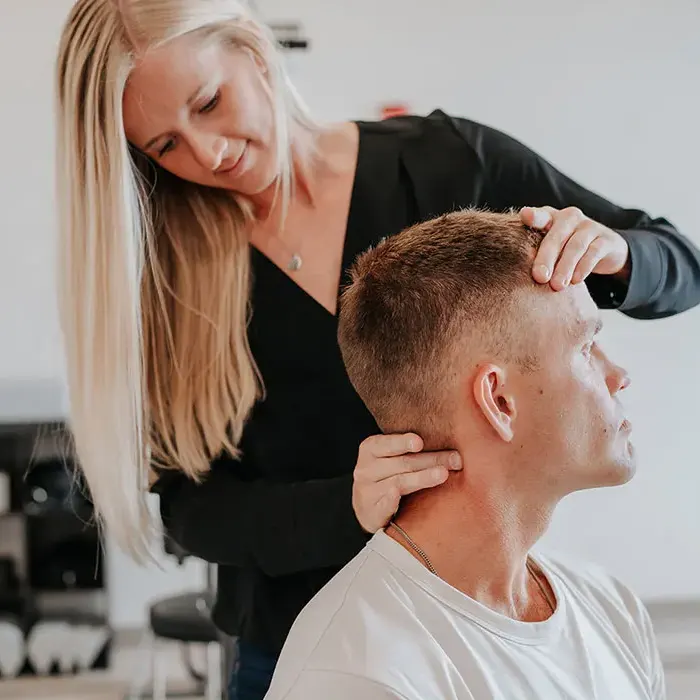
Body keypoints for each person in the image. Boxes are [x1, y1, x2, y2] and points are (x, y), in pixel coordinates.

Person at [53, 1, 700, 697]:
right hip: (300, 645)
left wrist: (618, 254)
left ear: (253, 49)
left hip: (476, 620)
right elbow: (190, 506)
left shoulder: (445, 165)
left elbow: (681, 265)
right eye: (165, 147)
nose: (209, 152)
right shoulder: (173, 277)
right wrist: (344, 508)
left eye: (209, 102)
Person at [263, 209, 666, 700]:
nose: (619, 374)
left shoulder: (611, 608)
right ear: (498, 402)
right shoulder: (361, 676)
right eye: (586, 348)